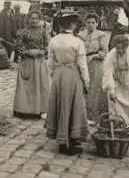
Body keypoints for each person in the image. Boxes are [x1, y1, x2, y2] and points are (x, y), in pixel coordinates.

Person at [45, 11, 90, 155]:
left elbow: (50, 62)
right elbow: (82, 64)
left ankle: (63, 137)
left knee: (61, 104)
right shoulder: (78, 42)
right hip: (72, 74)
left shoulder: (54, 40)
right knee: (74, 104)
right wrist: (86, 81)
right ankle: (71, 138)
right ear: (72, 24)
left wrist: (53, 76)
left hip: (59, 74)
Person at [13, 9, 50, 119]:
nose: (34, 20)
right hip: (27, 61)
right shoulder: (22, 32)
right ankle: (25, 110)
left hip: (39, 62)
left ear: (39, 19)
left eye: (36, 18)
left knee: (40, 85)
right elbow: (18, 47)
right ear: (28, 19)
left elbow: (48, 46)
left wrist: (40, 52)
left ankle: (40, 109)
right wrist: (28, 52)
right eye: (32, 18)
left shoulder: (44, 31)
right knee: (27, 85)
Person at [78, 13, 108, 123]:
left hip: (96, 63)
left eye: (93, 22)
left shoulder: (101, 35)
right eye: (88, 22)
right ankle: (83, 114)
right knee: (84, 87)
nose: (91, 25)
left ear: (97, 23)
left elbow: (105, 52)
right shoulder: (80, 35)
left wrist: (94, 56)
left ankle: (95, 115)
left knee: (95, 88)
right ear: (85, 23)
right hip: (83, 62)